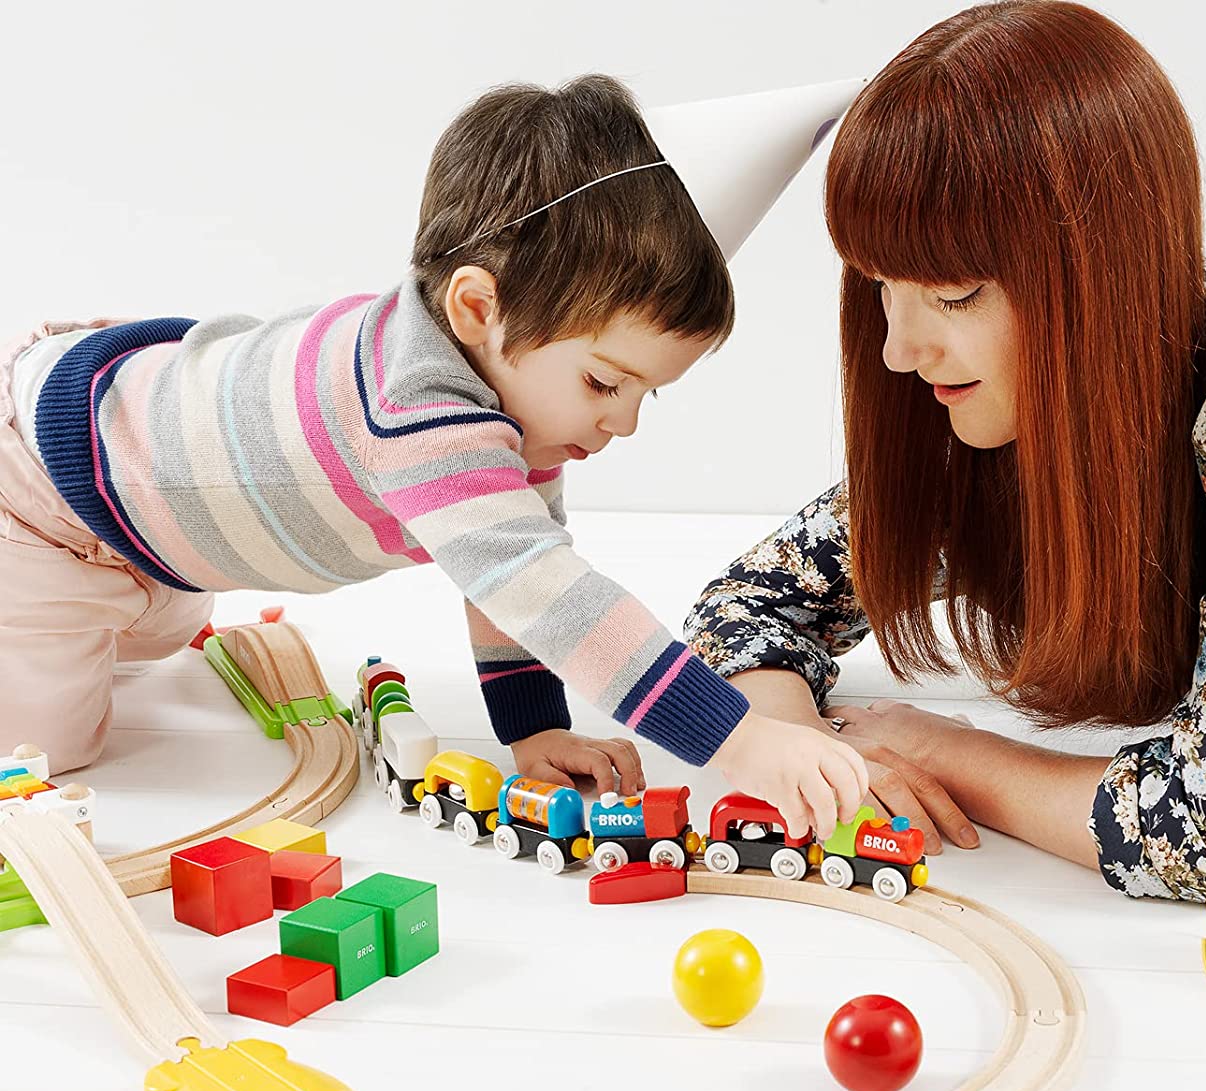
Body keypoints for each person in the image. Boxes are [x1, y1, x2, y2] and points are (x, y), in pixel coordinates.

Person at [685, 1, 1206, 902]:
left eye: (954, 295)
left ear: (1094, 270)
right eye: (882, 285)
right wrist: (804, 754)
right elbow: (745, 606)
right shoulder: (996, 416)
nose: (897, 350)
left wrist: (947, 753)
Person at [0, 75, 867, 842]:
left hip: (145, 520)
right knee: (51, 749)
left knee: (154, 642)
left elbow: (509, 584)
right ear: (476, 308)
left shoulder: (511, 404)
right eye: (605, 382)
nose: (626, 422)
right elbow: (552, 598)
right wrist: (740, 737)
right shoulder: (418, 411)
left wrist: (532, 728)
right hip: (41, 495)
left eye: (649, 394)